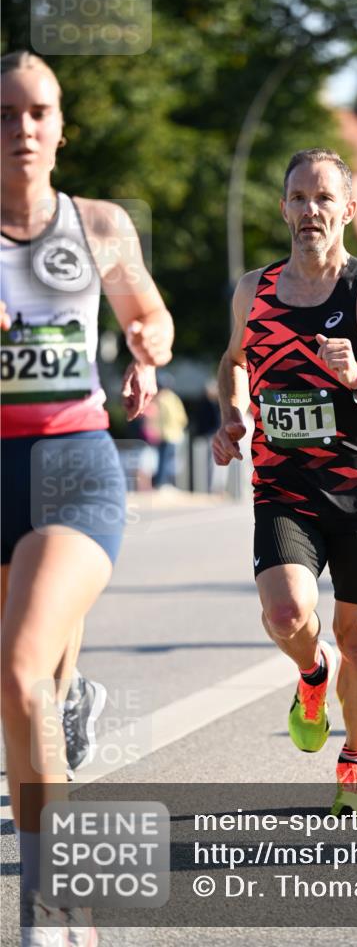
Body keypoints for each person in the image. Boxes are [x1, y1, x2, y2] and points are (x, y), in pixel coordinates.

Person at [1, 50, 174, 945]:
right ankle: (71, 712)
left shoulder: (99, 223)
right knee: (21, 688)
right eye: (5, 114)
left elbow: (148, 309)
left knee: (22, 666)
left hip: (72, 460)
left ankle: (54, 908)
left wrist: (146, 343)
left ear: (61, 126)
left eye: (39, 112)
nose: (23, 129)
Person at [213, 148, 357, 811]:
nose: (310, 210)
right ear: (283, 208)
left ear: (348, 208)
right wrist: (231, 416)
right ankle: (310, 677)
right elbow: (233, 362)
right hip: (281, 485)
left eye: (323, 198)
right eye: (298, 198)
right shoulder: (253, 290)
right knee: (285, 612)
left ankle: (354, 762)